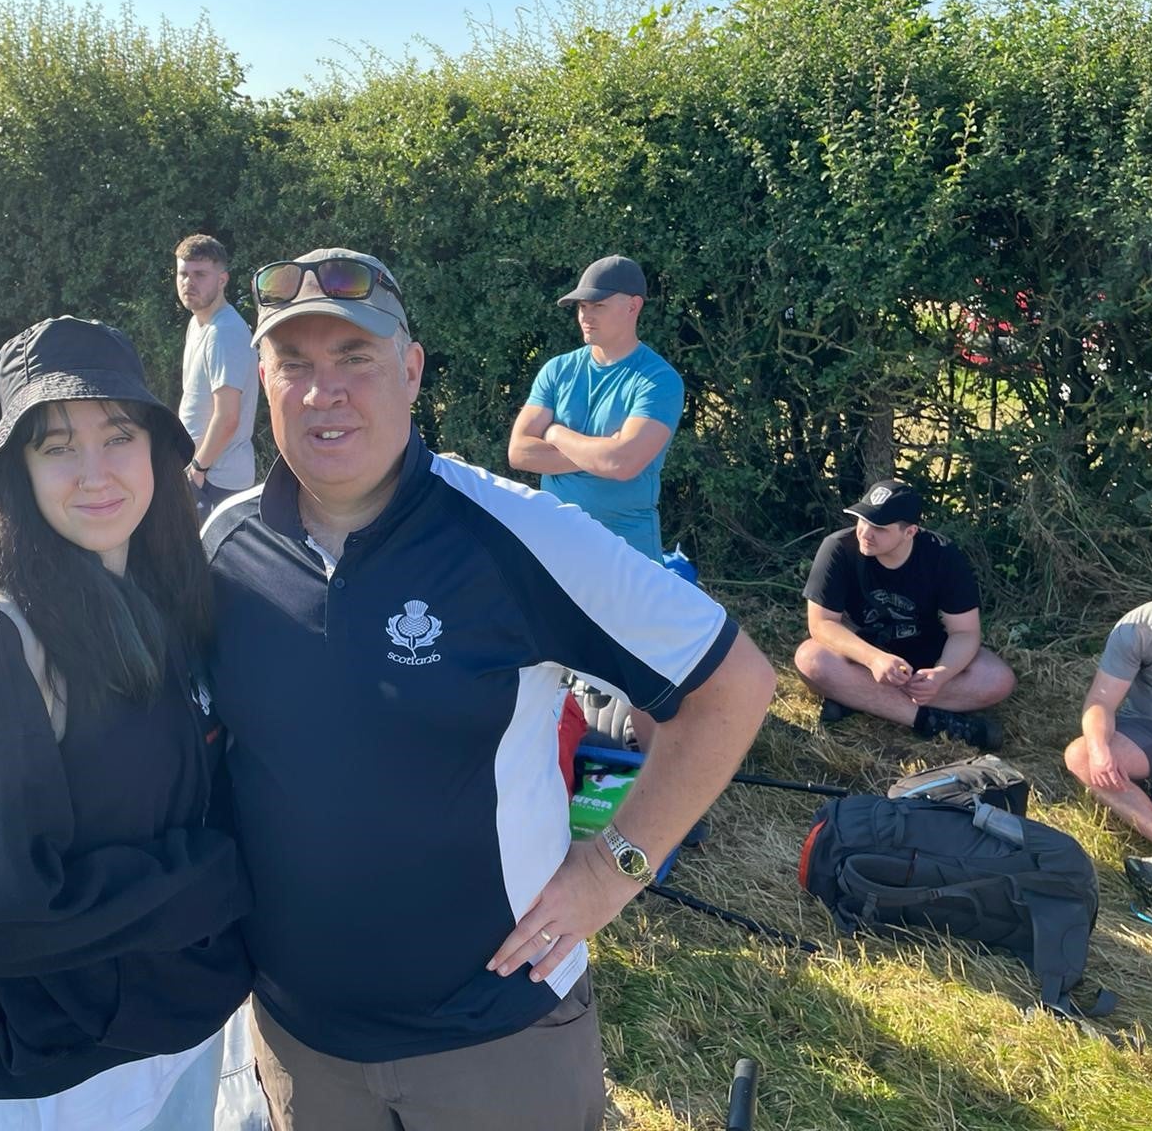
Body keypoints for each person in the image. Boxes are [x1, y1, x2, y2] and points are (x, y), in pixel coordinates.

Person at [203, 248, 775, 1130]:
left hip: (496, 1035)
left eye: (355, 358)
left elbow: (732, 684)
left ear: (411, 368)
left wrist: (615, 866)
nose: (325, 393)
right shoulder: (222, 549)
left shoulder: (515, 533)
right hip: (299, 1039)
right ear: (264, 380)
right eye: (295, 366)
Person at [0, 316, 251, 1128]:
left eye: (117, 435)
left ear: (158, 449)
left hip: (190, 1026)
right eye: (56, 446)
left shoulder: (171, 602)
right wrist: (221, 878)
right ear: (17, 471)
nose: (94, 472)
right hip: (65, 1070)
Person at [794, 478, 1016, 747]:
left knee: (998, 679)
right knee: (810, 659)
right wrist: (874, 659)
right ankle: (934, 722)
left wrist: (941, 675)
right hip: (861, 657)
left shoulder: (943, 556)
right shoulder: (838, 548)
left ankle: (858, 698)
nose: (865, 532)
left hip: (926, 658)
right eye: (862, 520)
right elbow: (822, 625)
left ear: (909, 532)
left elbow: (965, 632)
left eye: (879, 528)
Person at [508, 254, 684, 564]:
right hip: (555, 545)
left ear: (633, 306)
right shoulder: (557, 369)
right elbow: (519, 452)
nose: (586, 316)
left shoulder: (659, 380)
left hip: (626, 554)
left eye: (598, 305)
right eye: (582, 306)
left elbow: (622, 464)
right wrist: (601, 454)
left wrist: (554, 432)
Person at [1062, 599, 1152, 914]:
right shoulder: (1142, 626)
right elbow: (1100, 701)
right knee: (1082, 754)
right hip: (1150, 730)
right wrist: (1100, 750)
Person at [175, 234, 258, 520]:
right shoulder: (198, 324)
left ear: (222, 280)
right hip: (202, 474)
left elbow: (227, 416)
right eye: (183, 274)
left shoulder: (225, 332)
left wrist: (198, 469)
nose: (189, 282)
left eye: (200, 274)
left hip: (216, 481)